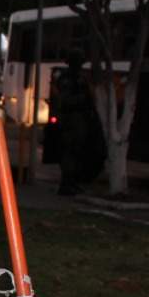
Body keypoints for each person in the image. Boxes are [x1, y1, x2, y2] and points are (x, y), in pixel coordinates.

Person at [51, 48, 97, 196]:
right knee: (70, 152)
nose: (80, 65)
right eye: (77, 62)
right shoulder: (66, 79)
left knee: (79, 152)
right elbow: (66, 100)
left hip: (81, 119)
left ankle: (73, 182)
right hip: (71, 120)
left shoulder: (80, 78)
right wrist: (82, 100)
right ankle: (66, 184)